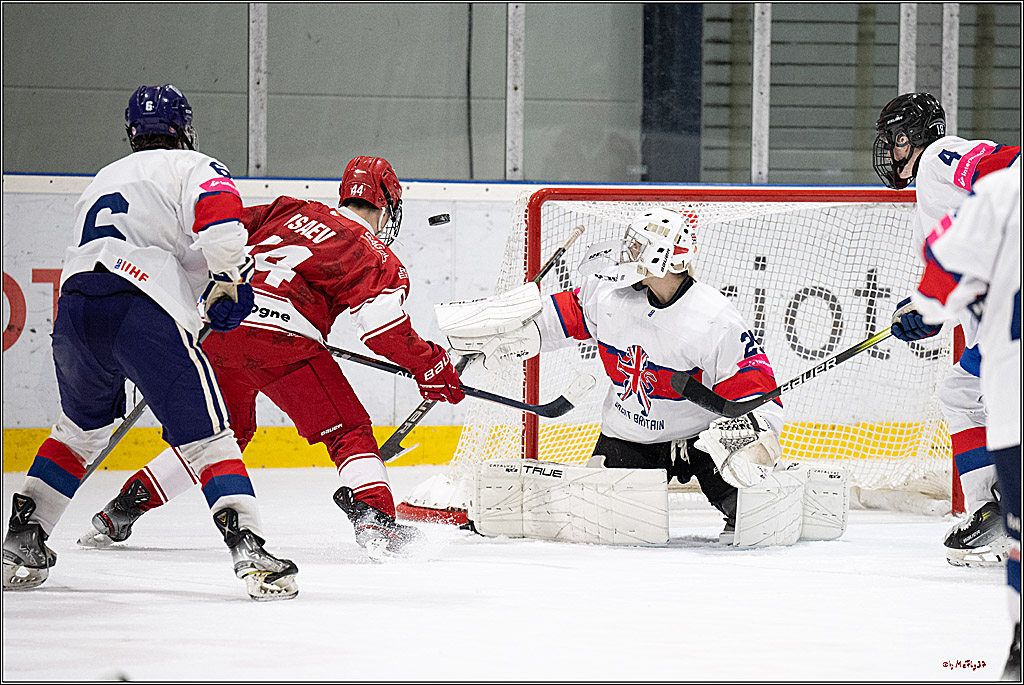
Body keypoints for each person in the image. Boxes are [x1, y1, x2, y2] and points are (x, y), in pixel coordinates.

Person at [76, 155, 465, 561]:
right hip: (286, 348)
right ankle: (375, 520)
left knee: (221, 435)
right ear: (386, 204)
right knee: (348, 431)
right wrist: (431, 365)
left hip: (219, 330)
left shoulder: (288, 209)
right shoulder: (376, 256)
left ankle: (121, 509)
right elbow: (382, 331)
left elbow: (215, 238)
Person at [2, 85, 298, 601]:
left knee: (79, 431)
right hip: (141, 305)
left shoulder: (105, 177)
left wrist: (208, 290)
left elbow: (148, 244)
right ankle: (248, 546)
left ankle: (23, 536)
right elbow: (221, 219)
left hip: (74, 307)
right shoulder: (193, 165)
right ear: (183, 127)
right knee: (208, 436)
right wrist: (229, 279)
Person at [445, 208, 787, 539]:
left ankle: (749, 497)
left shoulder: (714, 318)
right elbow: (563, 316)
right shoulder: (608, 292)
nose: (627, 252)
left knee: (754, 515)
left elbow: (755, 386)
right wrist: (507, 331)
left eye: (637, 246)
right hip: (629, 437)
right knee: (602, 523)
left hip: (701, 439)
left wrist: (753, 439)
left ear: (661, 257)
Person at [873, 92, 1020, 567]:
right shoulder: (929, 205)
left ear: (906, 137)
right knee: (963, 393)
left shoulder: (938, 156)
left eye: (891, 141)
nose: (888, 153)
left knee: (965, 396)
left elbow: (1008, 163)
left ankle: (993, 510)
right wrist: (919, 313)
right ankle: (993, 512)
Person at [910, 167, 1021, 680]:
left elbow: (940, 282)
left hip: (1011, 382)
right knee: (959, 391)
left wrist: (923, 309)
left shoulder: (998, 191)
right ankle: (988, 510)